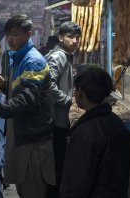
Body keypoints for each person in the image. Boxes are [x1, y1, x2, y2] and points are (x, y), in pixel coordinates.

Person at [0, 15, 55, 198]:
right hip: (21, 132)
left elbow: (27, 99)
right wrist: (4, 84)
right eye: (8, 35)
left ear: (28, 35)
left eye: (15, 35)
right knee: (23, 187)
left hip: (33, 137)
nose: (10, 39)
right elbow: (19, 90)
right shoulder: (17, 57)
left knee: (32, 189)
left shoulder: (33, 61)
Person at [60, 68, 130, 197]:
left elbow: (76, 181)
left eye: (75, 89)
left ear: (80, 92)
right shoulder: (117, 123)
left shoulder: (84, 132)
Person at [45, 21, 81, 197]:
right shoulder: (58, 56)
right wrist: (67, 100)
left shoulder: (65, 55)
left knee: (59, 164)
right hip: (56, 120)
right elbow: (48, 85)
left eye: (77, 37)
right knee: (57, 165)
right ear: (61, 37)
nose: (74, 41)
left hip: (60, 119)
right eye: (70, 37)